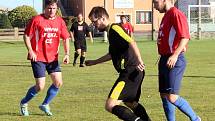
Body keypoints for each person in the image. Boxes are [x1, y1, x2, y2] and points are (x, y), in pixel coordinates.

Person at [86, 7, 151, 121]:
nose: (94, 25)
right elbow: (112, 54)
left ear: (102, 18)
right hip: (134, 72)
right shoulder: (111, 33)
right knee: (131, 103)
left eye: (94, 21)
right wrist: (94, 62)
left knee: (110, 105)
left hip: (130, 72)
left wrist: (139, 60)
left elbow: (131, 41)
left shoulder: (115, 28)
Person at [20, 0, 70, 116]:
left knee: (58, 83)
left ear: (57, 8)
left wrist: (67, 54)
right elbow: (26, 36)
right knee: (40, 86)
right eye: (49, 8)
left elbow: (66, 38)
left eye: (54, 8)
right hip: (38, 57)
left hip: (53, 58)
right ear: (45, 8)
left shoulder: (60, 21)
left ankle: (45, 104)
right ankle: (24, 102)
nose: (52, 11)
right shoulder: (37, 20)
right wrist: (30, 50)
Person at [153, 0, 201, 121]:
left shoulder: (176, 13)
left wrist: (175, 55)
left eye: (156, 2)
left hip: (174, 59)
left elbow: (185, 36)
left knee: (172, 97)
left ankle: (195, 119)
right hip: (164, 59)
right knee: (164, 96)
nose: (154, 6)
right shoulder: (165, 16)